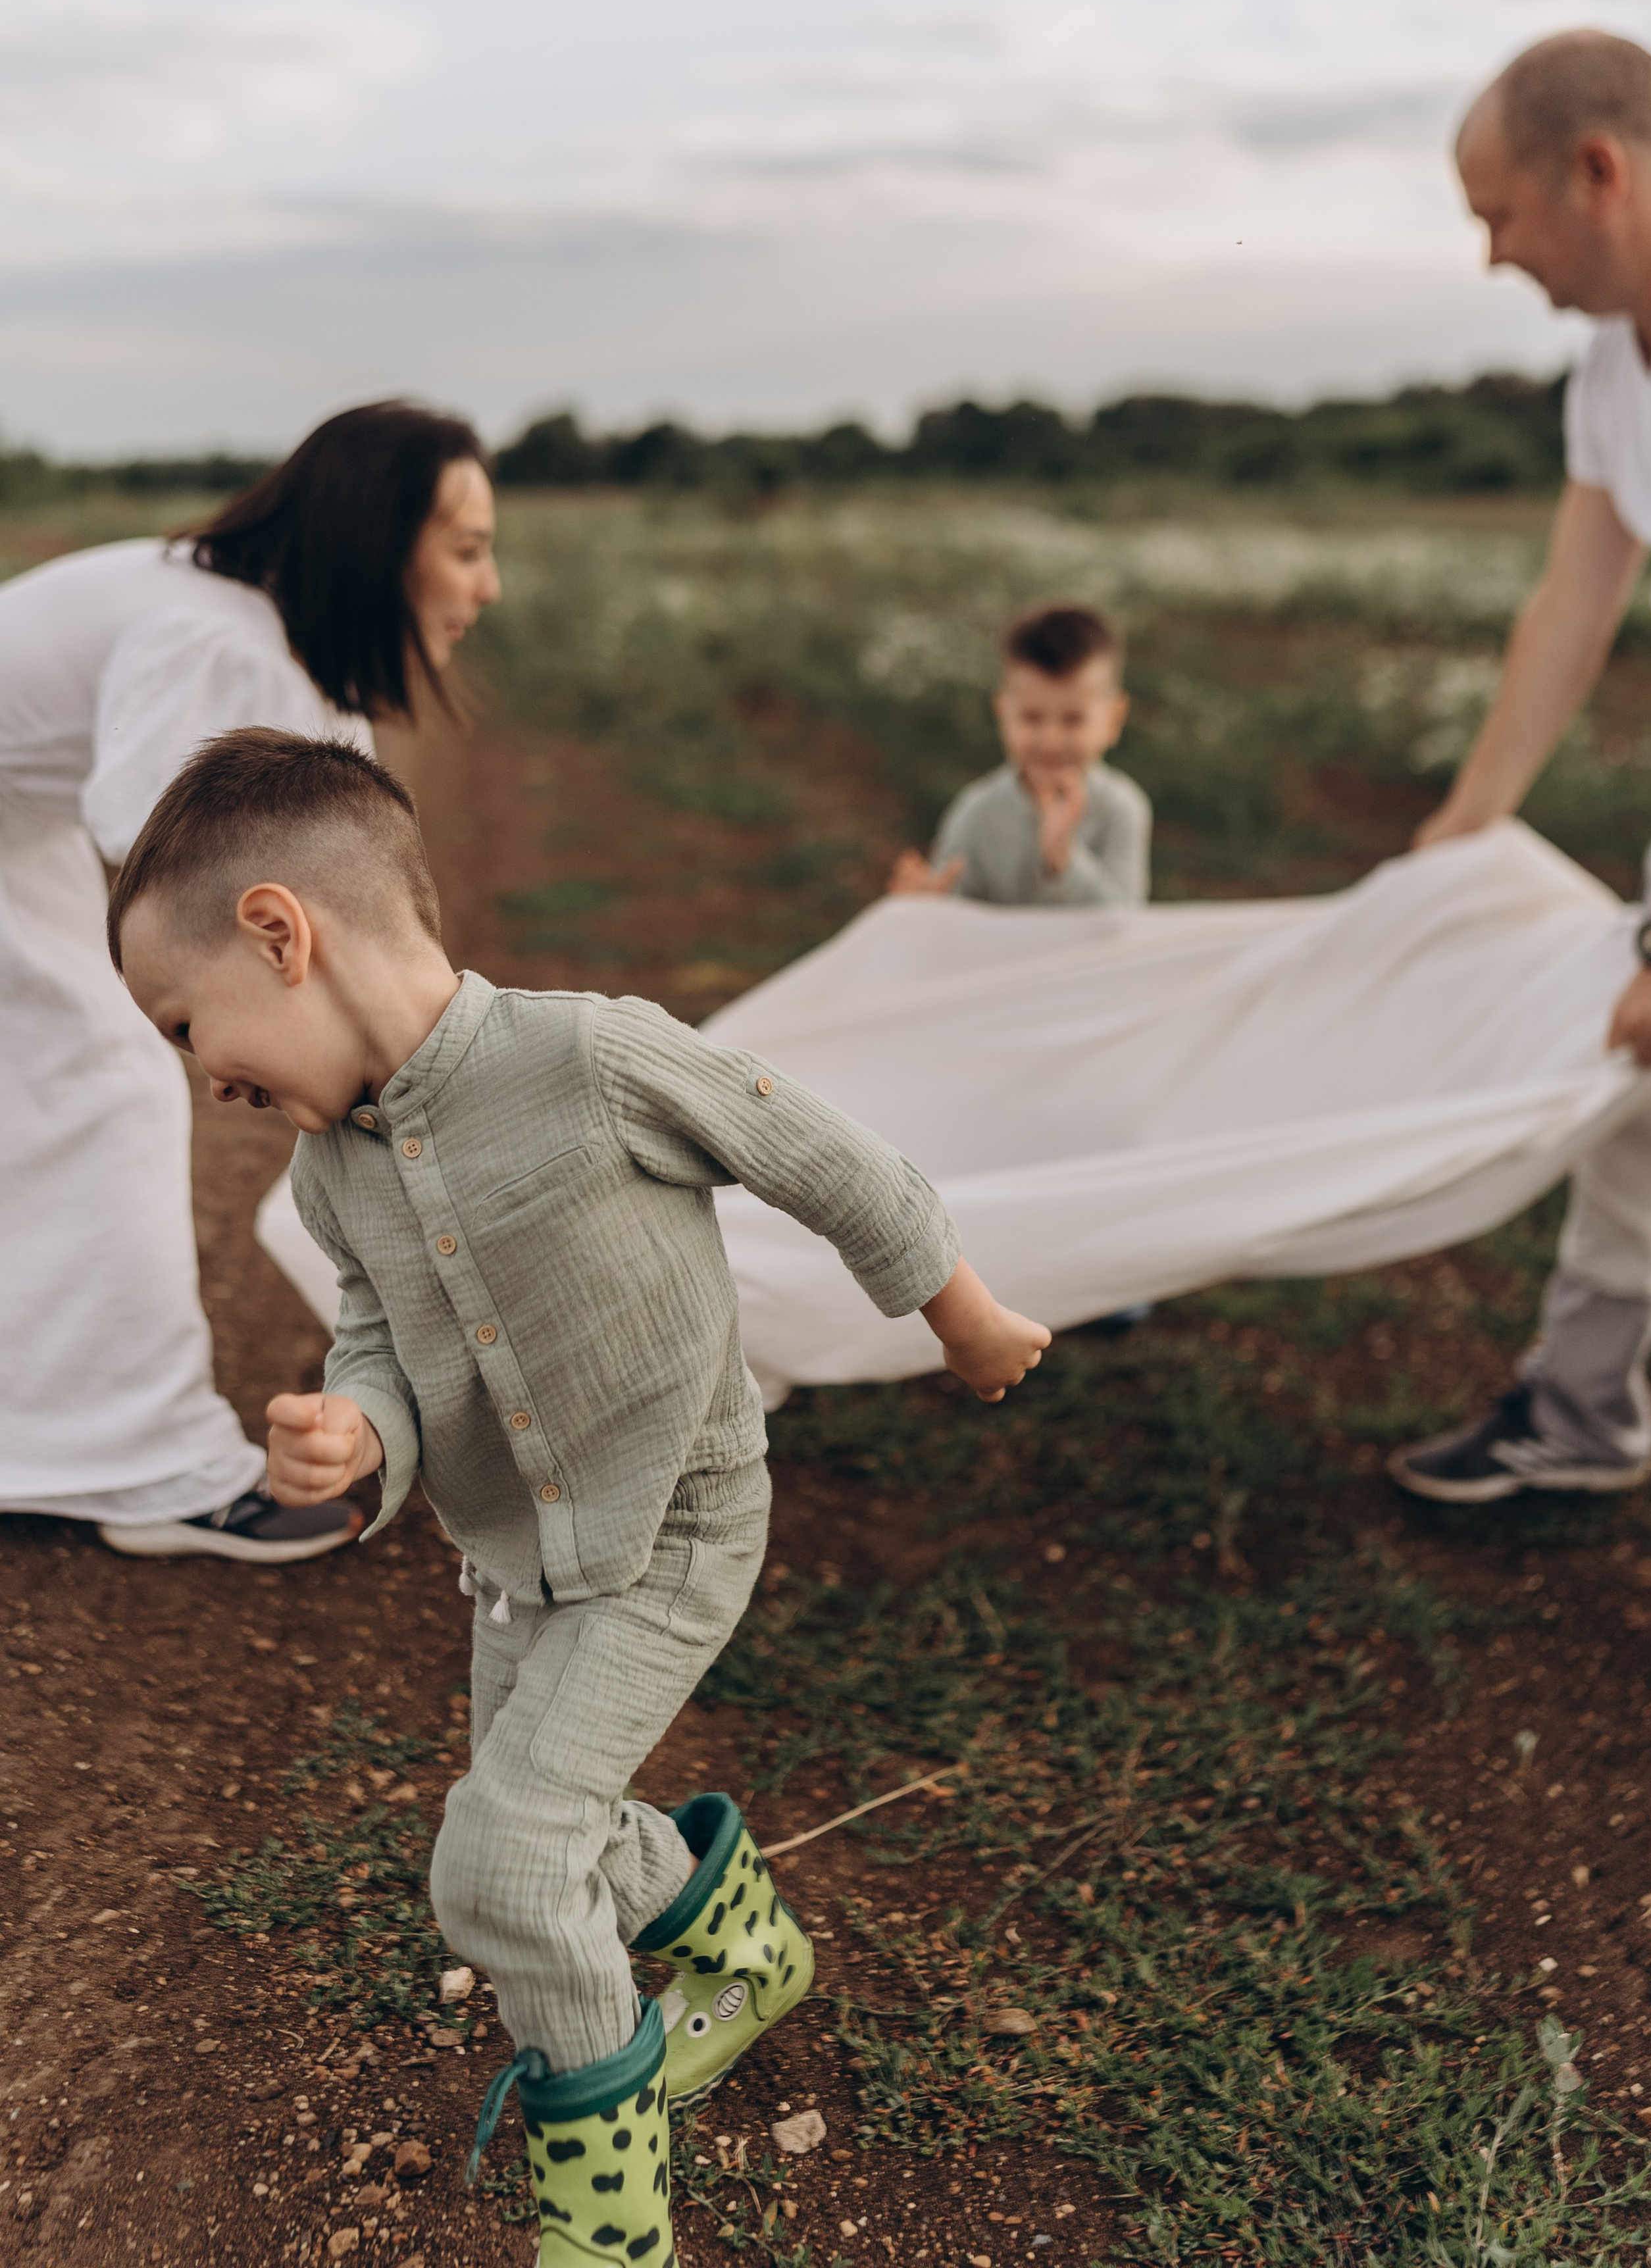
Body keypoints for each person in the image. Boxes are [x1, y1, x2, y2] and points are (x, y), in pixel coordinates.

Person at [107, 726, 1050, 2251]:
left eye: (181, 1019)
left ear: (280, 934)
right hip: (512, 1554)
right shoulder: (330, 1174)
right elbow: (375, 1340)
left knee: (500, 1855)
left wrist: (955, 1308)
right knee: (557, 1814)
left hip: (673, 1523)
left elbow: (818, 1153)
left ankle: (610, 2232)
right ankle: (744, 1952)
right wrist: (360, 1428)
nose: (197, 1072)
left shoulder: (590, 1056)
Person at [0, 399, 500, 1561]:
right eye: (469, 550)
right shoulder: (221, 637)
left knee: (49, 1090)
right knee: (98, 1081)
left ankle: (54, 1430)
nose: (490, 588)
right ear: (379, 543)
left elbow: (342, 874)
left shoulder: (263, 631)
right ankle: (140, 1465)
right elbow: (168, 863)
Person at [1390, 30, 1651, 1503]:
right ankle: (1581, 1411)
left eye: (1496, 215)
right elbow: (1572, 607)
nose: (1493, 255)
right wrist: (1469, 816)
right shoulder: (1612, 370)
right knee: (1642, 1081)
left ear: (1596, 172)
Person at [886, 601, 1152, 905]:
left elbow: (1126, 922)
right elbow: (954, 917)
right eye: (1031, 717)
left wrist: (1062, 857)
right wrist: (927, 904)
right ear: (1003, 713)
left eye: (1073, 719)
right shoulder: (976, 814)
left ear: (1114, 720)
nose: (1050, 740)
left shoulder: (1121, 809)